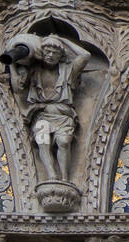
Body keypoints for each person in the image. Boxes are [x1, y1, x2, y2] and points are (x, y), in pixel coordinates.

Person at [7, 34, 92, 182]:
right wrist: (11, 64)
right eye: (47, 51)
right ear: (41, 53)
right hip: (41, 114)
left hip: (63, 115)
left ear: (61, 56)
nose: (50, 55)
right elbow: (17, 88)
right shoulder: (33, 71)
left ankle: (65, 178)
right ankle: (52, 175)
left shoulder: (68, 71)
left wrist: (62, 39)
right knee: (43, 141)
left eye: (55, 53)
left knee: (64, 142)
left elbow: (85, 55)